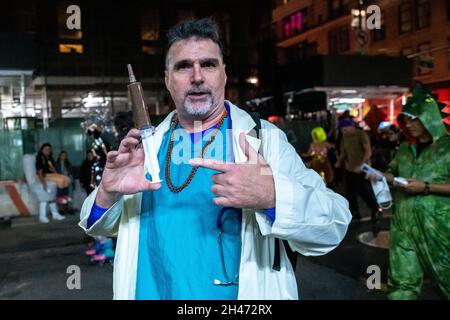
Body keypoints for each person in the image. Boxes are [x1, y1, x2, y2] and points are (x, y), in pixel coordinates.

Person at [79, 18, 351, 300]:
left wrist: (272, 197)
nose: (197, 76)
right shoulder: (145, 148)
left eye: (208, 64)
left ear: (223, 74)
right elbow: (103, 225)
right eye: (183, 66)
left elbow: (333, 226)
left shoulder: (263, 140)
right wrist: (107, 195)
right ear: (167, 79)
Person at [367, 88, 450, 299]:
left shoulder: (447, 148)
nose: (409, 125)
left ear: (430, 118)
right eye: (406, 120)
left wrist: (426, 187)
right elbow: (393, 172)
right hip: (403, 224)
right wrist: (380, 176)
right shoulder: (404, 148)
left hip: (439, 227)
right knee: (402, 285)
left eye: (414, 120)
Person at [336, 118, 380, 222]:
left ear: (351, 126)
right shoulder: (344, 137)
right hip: (350, 168)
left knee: (363, 190)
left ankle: (375, 209)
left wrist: (362, 165)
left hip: (362, 168)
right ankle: (355, 213)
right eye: (342, 129)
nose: (344, 131)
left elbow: (368, 152)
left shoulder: (361, 134)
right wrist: (340, 161)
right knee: (349, 192)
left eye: (345, 129)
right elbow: (343, 151)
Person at [35, 143, 68, 222]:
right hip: (44, 177)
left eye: (49, 149)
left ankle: (55, 213)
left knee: (66, 179)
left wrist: (54, 171)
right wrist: (44, 183)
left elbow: (53, 169)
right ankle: (42, 216)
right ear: (42, 150)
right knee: (45, 198)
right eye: (46, 149)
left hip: (51, 176)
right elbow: (39, 172)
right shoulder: (40, 158)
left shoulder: (50, 158)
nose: (48, 151)